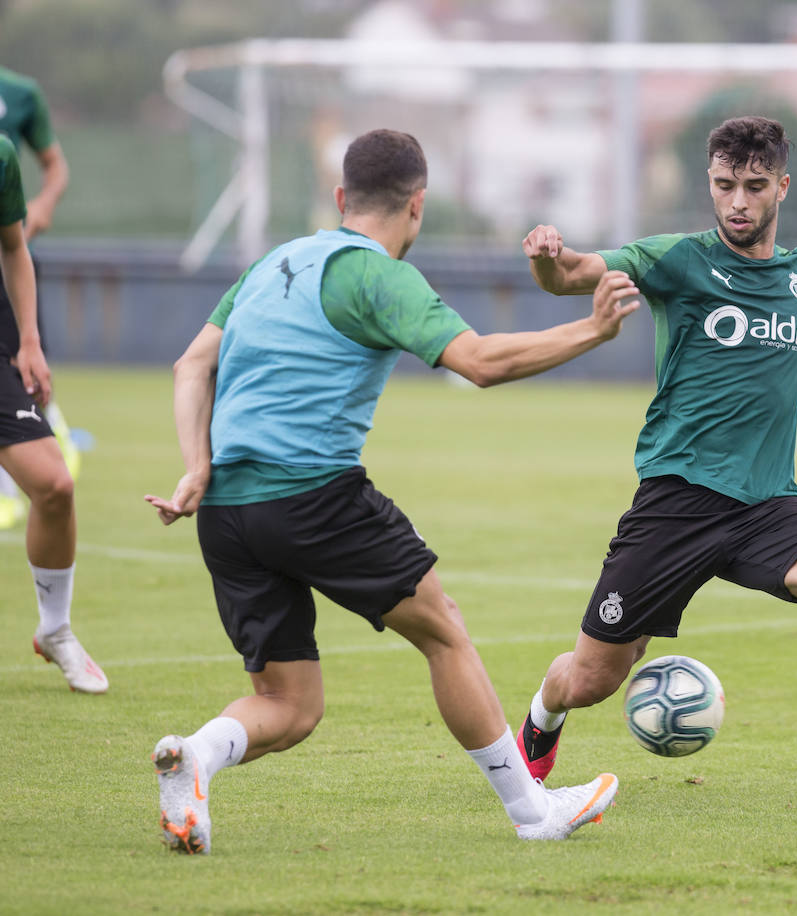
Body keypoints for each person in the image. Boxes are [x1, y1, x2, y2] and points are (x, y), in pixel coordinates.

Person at [143, 129, 634, 853]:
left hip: (224, 511)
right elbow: (479, 362)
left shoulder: (272, 263)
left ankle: (196, 756)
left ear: (342, 198)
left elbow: (191, 366)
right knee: (444, 629)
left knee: (290, 704)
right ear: (418, 205)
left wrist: (195, 465)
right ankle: (534, 813)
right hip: (312, 495)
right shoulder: (376, 274)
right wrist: (590, 331)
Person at [514, 115, 797, 784]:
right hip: (676, 504)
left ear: (782, 187)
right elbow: (571, 276)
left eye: (754, 186)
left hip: (767, 506)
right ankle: (541, 717)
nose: (737, 202)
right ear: (710, 182)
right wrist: (544, 255)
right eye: (724, 185)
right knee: (592, 677)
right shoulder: (678, 259)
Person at [0, 134, 102, 694]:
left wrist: (30, 340)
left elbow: (13, 248)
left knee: (55, 484)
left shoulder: (1, 155)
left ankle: (55, 629)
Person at [0, 65, 74, 530]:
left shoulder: (21, 93)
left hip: (9, 257)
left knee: (21, 367)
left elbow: (55, 165)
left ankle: (18, 476)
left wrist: (42, 204)